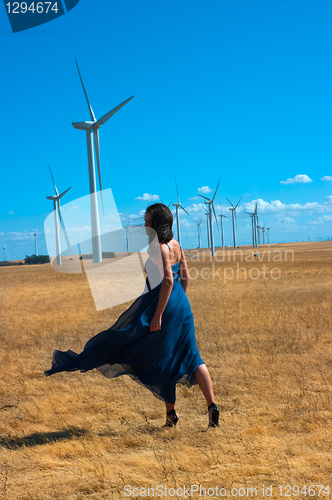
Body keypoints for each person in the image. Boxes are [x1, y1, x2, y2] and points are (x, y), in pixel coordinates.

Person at [44, 203, 219, 428]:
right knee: (193, 357)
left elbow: (168, 281)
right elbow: (184, 279)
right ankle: (211, 407)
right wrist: (178, 302)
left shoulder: (159, 248)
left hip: (162, 307)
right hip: (182, 307)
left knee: (158, 357)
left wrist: (158, 315)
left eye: (148, 222)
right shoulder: (176, 245)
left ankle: (171, 415)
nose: (144, 225)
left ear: (157, 225)